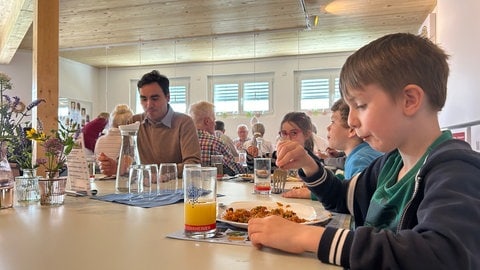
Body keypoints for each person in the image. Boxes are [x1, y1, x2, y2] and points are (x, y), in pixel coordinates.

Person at [247, 33, 480, 269]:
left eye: (360, 105)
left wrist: (305, 237)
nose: (353, 121)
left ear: (409, 100)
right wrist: (308, 163)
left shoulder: (457, 170)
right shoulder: (392, 163)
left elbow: (442, 256)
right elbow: (342, 198)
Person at [98, 70, 201, 177]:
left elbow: (193, 165)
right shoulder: (134, 122)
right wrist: (115, 167)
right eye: (144, 99)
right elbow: (126, 161)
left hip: (174, 188)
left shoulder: (184, 122)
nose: (149, 104)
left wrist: (157, 174)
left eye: (154, 98)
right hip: (142, 189)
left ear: (168, 97)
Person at [282, 98, 382, 199]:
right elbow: (350, 185)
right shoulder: (363, 153)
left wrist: (313, 193)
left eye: (333, 122)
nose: (328, 127)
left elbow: (356, 199)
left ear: (351, 130)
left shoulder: (359, 160)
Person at [188, 101, 246, 176]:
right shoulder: (215, 143)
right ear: (207, 121)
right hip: (214, 185)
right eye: (214, 120)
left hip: (189, 185)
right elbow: (236, 171)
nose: (215, 124)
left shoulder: (184, 142)